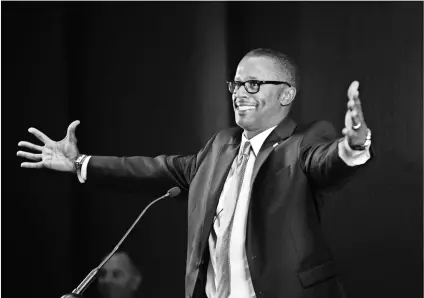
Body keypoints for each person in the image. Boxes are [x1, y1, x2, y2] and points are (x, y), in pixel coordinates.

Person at [17, 48, 373, 298]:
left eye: (253, 84)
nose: (239, 94)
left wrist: (352, 145)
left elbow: (327, 161)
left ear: (286, 94)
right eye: (236, 84)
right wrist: (80, 163)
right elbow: (154, 168)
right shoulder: (220, 147)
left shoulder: (302, 140)